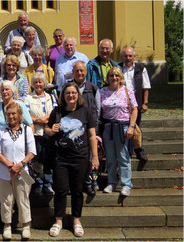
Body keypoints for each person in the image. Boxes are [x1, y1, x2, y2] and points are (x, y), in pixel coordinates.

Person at [45, 82, 98, 238]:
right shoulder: (57, 111)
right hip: (61, 158)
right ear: (63, 95)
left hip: (80, 158)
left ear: (78, 95)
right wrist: (51, 130)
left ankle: (76, 220)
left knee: (77, 191)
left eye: (73, 93)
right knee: (60, 190)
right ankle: (58, 221)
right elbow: (47, 130)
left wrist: (94, 157)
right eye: (67, 93)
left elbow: (92, 136)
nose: (71, 95)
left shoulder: (85, 111)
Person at [0, 102, 37, 240]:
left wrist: (19, 165)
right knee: (6, 200)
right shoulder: (2, 130)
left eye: (14, 114)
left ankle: (25, 226)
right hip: (4, 171)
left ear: (19, 115)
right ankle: (7, 226)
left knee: (23, 199)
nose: (11, 116)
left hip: (23, 171)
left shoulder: (27, 130)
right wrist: (9, 165)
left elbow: (32, 152)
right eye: (8, 114)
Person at [100, 67, 138, 197]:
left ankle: (126, 184)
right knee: (110, 157)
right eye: (111, 76)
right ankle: (111, 182)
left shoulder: (127, 91)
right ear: (108, 78)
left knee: (123, 157)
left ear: (120, 77)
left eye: (116, 75)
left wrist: (131, 127)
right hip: (108, 128)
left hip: (123, 127)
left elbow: (135, 109)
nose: (114, 78)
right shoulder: (102, 92)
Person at [69, 61, 101, 196]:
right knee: (72, 158)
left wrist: (95, 126)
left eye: (82, 70)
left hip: (89, 129)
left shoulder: (93, 88)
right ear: (73, 72)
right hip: (72, 130)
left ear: (86, 72)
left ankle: (88, 184)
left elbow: (98, 109)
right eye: (77, 71)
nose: (80, 73)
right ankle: (72, 184)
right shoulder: (67, 87)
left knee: (89, 157)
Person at [25, 73, 57, 196]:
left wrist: (46, 120)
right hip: (35, 133)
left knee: (48, 159)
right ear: (33, 84)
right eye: (36, 82)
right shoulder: (28, 98)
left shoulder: (51, 97)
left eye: (40, 82)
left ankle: (48, 184)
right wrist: (39, 120)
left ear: (44, 84)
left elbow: (55, 111)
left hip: (49, 133)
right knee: (36, 160)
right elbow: (26, 115)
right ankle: (38, 183)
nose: (38, 84)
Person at [120, 46, 151, 162]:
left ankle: (139, 151)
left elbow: (146, 87)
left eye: (130, 56)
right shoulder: (118, 67)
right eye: (125, 56)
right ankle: (127, 150)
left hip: (136, 103)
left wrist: (145, 103)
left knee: (136, 127)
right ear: (122, 57)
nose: (128, 58)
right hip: (122, 103)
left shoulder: (141, 68)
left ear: (134, 57)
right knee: (125, 128)